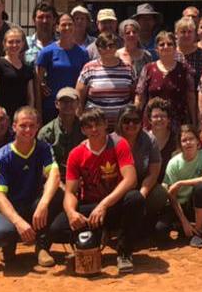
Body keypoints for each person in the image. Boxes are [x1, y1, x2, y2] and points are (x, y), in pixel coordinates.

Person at [62, 109, 146, 273]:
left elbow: (131, 179)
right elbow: (70, 192)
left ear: (106, 125)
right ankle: (87, 245)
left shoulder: (119, 144)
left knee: (135, 199)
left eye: (98, 124)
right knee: (58, 228)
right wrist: (71, 212)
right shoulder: (76, 154)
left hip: (113, 206)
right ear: (83, 130)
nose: (94, 130)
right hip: (90, 209)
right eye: (89, 126)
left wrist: (104, 205)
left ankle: (124, 252)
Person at [0, 107, 65, 269]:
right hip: (10, 206)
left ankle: (42, 247)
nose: (28, 130)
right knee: (2, 232)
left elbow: (54, 175)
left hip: (34, 204)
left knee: (58, 193)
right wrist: (18, 222)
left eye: (32, 125)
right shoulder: (1, 156)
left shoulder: (43, 148)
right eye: (23, 125)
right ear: (14, 126)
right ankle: (8, 247)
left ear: (38, 127)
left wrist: (44, 204)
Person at [113, 105, 168, 240]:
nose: (131, 124)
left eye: (135, 120)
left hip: (142, 187)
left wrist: (141, 196)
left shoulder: (150, 140)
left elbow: (153, 174)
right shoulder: (110, 141)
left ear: (141, 122)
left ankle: (143, 222)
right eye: (126, 120)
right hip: (116, 188)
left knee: (160, 193)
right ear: (119, 121)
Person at [159, 124, 202, 247]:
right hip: (178, 206)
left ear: (197, 141)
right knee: (160, 231)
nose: (188, 143)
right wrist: (184, 221)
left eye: (191, 139)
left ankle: (198, 232)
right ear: (180, 144)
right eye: (184, 140)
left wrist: (180, 183)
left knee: (201, 187)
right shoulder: (174, 163)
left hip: (196, 203)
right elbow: (172, 196)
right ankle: (182, 226)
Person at [136, 31, 198, 130]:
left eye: (169, 44)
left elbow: (191, 97)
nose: (166, 46)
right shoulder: (148, 69)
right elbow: (140, 98)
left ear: (175, 47)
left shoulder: (185, 69)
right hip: (152, 122)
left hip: (178, 123)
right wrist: (136, 119)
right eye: (162, 44)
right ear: (156, 49)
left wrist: (195, 121)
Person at [34, 13, 90, 123]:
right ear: (57, 27)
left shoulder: (83, 52)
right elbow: (37, 82)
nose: (67, 28)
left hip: (74, 106)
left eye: (70, 24)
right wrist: (38, 110)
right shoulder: (47, 52)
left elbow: (86, 81)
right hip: (52, 106)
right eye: (64, 25)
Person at [77, 32, 137, 129]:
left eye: (111, 45)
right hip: (95, 127)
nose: (108, 49)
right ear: (98, 49)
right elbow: (79, 98)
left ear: (116, 47)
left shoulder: (128, 68)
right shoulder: (88, 68)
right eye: (103, 46)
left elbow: (135, 96)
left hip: (122, 127)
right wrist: (81, 122)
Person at [0, 27, 36, 118]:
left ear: (23, 44)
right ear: (4, 43)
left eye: (18, 42)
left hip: (22, 117)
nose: (14, 45)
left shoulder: (28, 68)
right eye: (10, 42)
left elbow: (31, 97)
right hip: (3, 117)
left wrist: (29, 114)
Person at [39, 87, 84, 168]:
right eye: (64, 101)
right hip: (55, 175)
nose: (68, 104)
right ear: (56, 104)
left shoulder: (86, 128)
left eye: (71, 101)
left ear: (78, 104)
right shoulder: (46, 132)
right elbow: (44, 162)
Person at [175, 17, 202, 87]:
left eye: (189, 32)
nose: (186, 35)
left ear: (195, 34)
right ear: (176, 34)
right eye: (183, 32)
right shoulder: (170, 54)